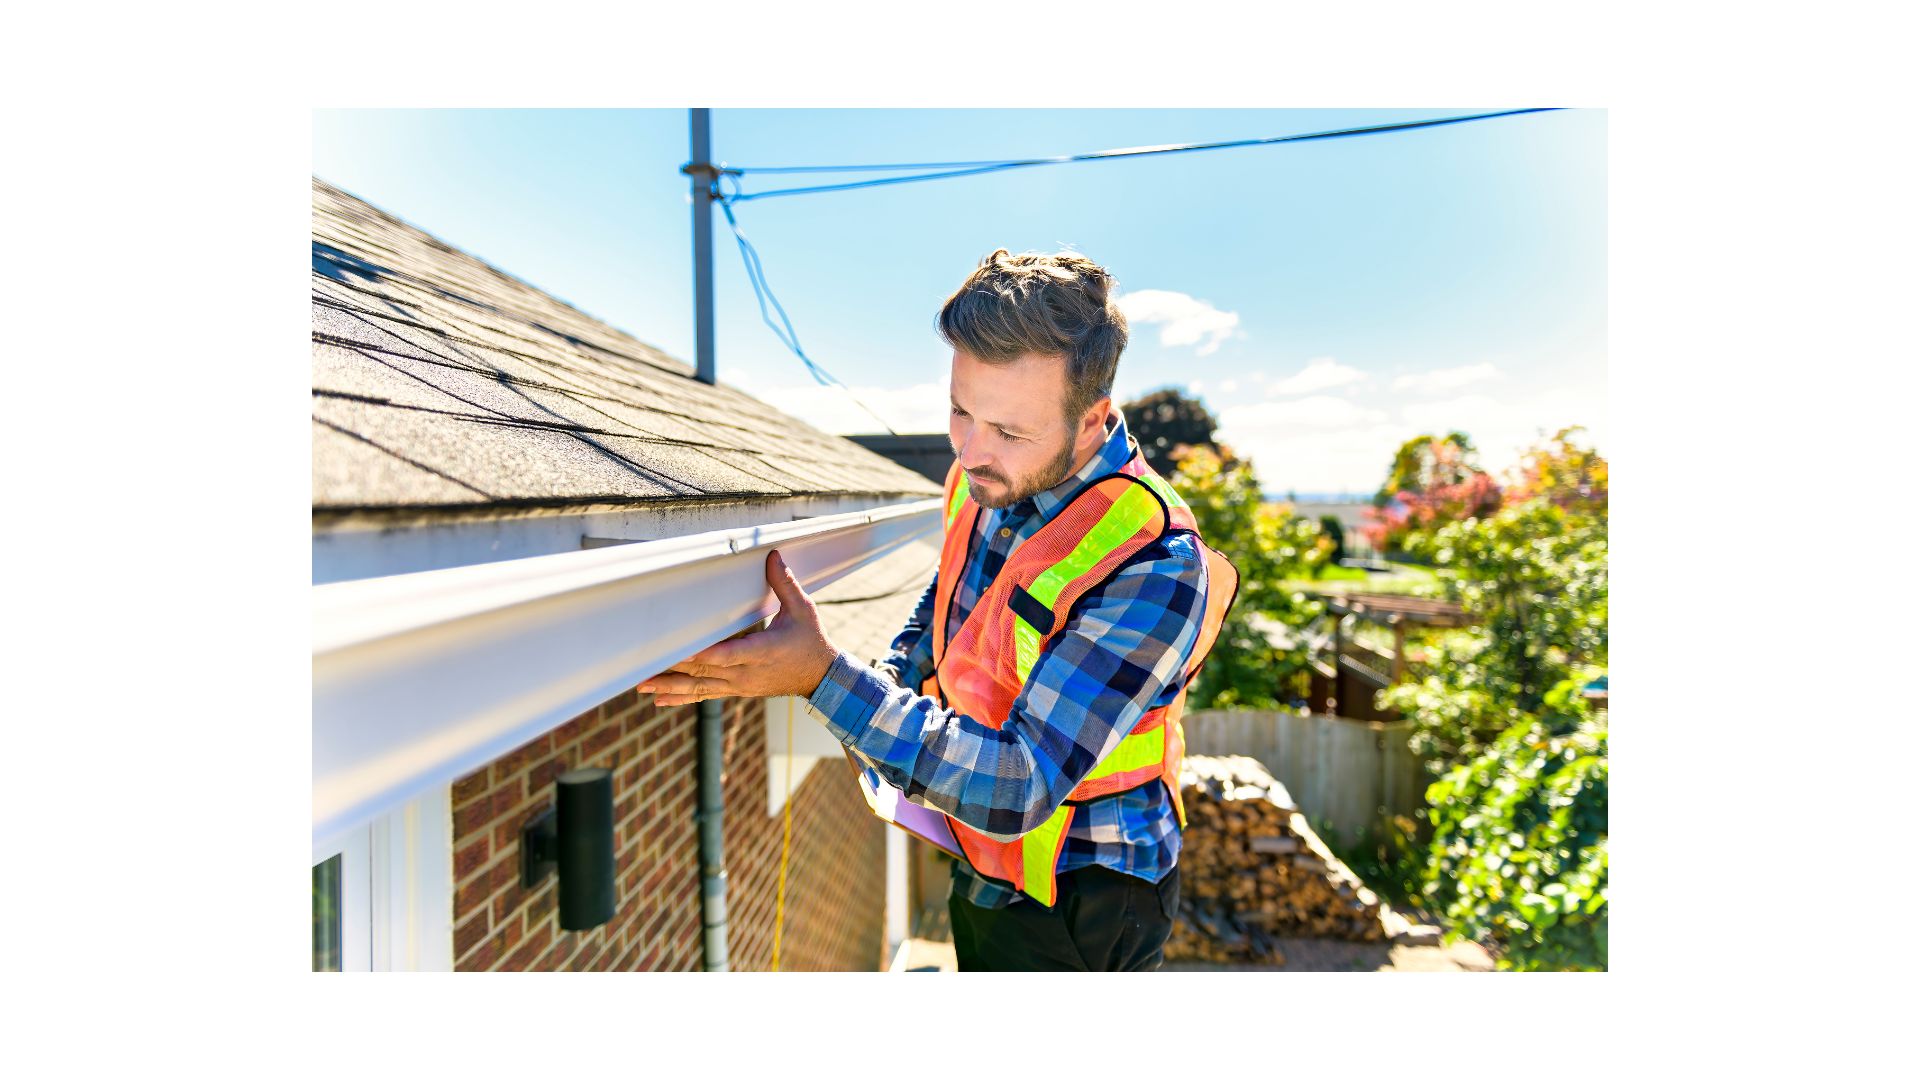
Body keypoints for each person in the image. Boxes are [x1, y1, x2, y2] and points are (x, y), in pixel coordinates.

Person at [638, 249, 1235, 971]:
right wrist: (894, 670)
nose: (972, 450)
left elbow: (1018, 786)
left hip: (1084, 891)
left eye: (1010, 431)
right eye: (960, 410)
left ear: (1092, 421)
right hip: (982, 856)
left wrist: (821, 678)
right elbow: (952, 594)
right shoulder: (985, 476)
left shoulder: (1155, 564)